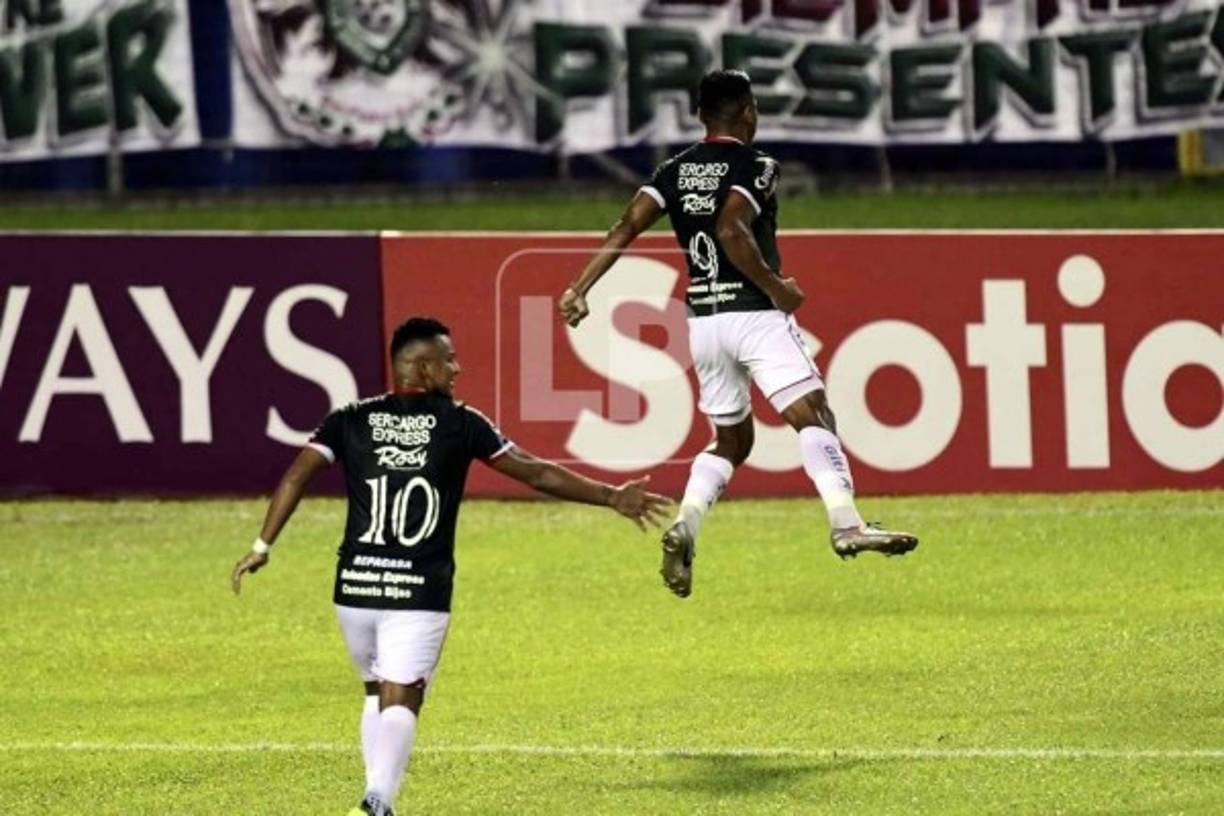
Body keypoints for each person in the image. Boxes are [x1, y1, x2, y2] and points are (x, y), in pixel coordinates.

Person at [230, 317, 670, 816]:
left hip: (354, 588)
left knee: (376, 691)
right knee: (402, 699)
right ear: (422, 367)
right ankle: (376, 804)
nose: (457, 368)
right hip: (418, 589)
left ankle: (377, 801)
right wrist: (611, 497)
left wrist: (262, 545)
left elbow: (296, 474)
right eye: (448, 359)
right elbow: (536, 473)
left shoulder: (349, 418)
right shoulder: (461, 422)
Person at [557, 69, 918, 599]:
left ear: (701, 115)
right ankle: (846, 524)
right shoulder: (757, 165)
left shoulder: (673, 170)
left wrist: (578, 287)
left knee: (732, 440)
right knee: (814, 415)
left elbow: (625, 226)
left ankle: (686, 524)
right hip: (754, 314)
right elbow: (731, 227)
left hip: (704, 321)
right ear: (749, 112)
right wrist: (777, 287)